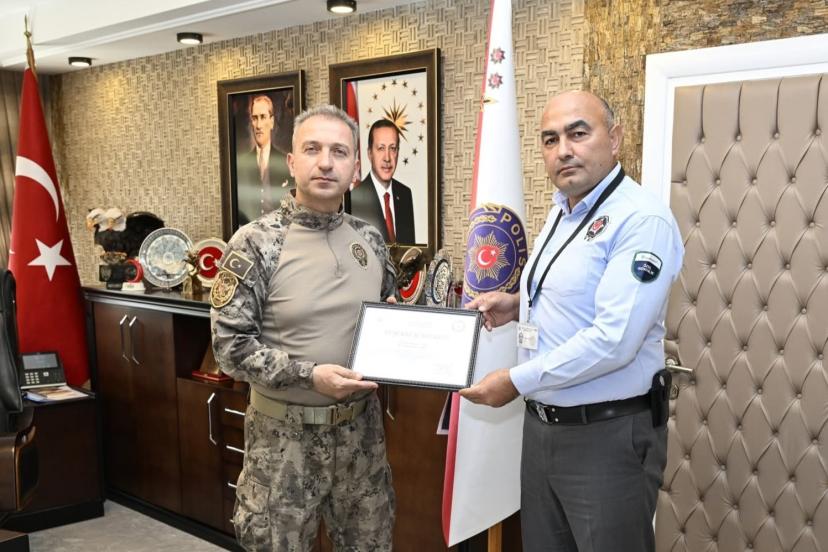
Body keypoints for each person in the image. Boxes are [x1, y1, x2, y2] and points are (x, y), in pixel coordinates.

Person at [460, 91, 684, 552]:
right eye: (550, 139)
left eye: (578, 133)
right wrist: (516, 304)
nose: (563, 149)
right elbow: (573, 297)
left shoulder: (642, 220)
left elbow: (614, 340)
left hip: (606, 438)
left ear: (615, 138)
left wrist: (516, 380)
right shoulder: (563, 211)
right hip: (543, 431)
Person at [211, 105, 397, 551]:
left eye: (339, 152)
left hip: (361, 439)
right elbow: (229, 347)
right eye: (312, 149)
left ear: (356, 168)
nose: (326, 162)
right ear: (292, 162)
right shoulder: (255, 243)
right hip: (283, 444)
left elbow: (389, 316)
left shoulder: (371, 239)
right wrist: (309, 376)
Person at [345, 118, 415, 244]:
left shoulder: (405, 194)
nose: (387, 158)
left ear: (398, 153)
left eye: (392, 148)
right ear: (369, 153)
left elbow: (410, 250)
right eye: (381, 148)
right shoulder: (354, 198)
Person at [236, 94, 292, 225]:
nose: (258, 125)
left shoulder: (285, 162)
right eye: (255, 118)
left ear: (271, 122)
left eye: (263, 117)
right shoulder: (242, 165)